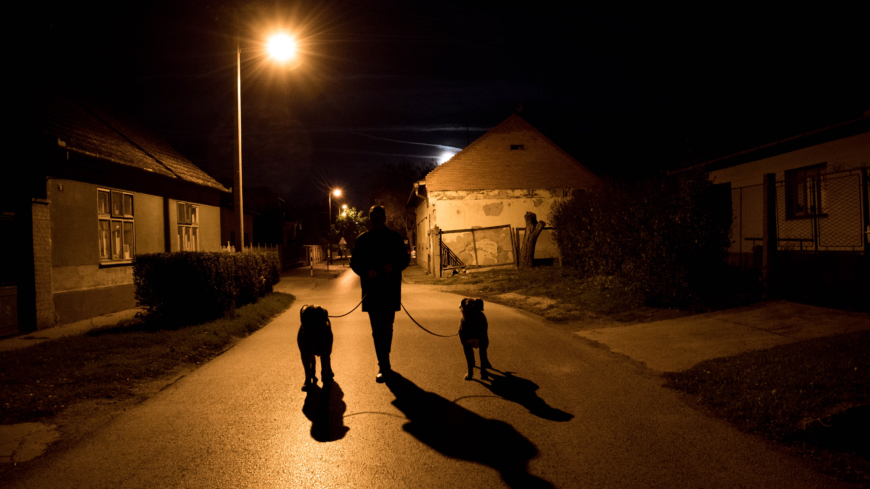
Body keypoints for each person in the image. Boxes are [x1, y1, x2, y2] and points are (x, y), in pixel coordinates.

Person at [350, 205, 411, 383]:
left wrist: (393, 266)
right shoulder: (363, 239)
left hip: (390, 289)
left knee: (387, 328)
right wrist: (366, 271)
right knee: (377, 330)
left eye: (379, 216)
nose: (377, 220)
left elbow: (404, 259)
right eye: (374, 217)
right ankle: (383, 365)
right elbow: (354, 263)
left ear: (384, 218)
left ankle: (384, 362)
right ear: (370, 219)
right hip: (371, 291)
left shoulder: (395, 237)